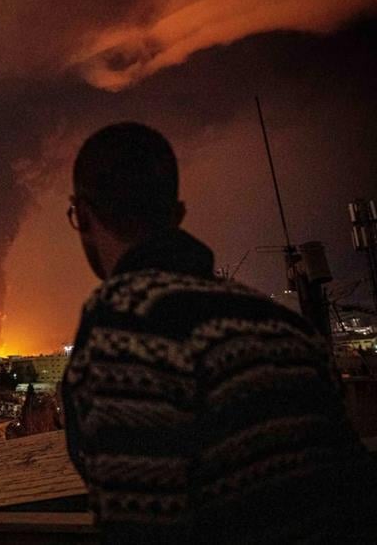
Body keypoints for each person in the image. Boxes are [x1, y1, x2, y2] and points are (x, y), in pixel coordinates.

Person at [61, 122, 377, 543]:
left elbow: (140, 525)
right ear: (177, 216)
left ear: (82, 215)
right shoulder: (285, 327)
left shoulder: (125, 321)